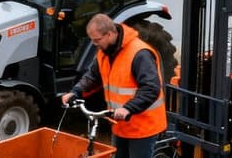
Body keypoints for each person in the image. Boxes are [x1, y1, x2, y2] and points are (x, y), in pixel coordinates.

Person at [61, 14, 167, 158]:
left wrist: (128, 108)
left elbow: (151, 88)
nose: (95, 44)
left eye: (97, 40)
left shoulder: (139, 53)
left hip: (142, 126)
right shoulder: (104, 52)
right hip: (120, 124)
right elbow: (92, 76)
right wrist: (76, 92)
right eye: (92, 40)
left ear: (110, 34)